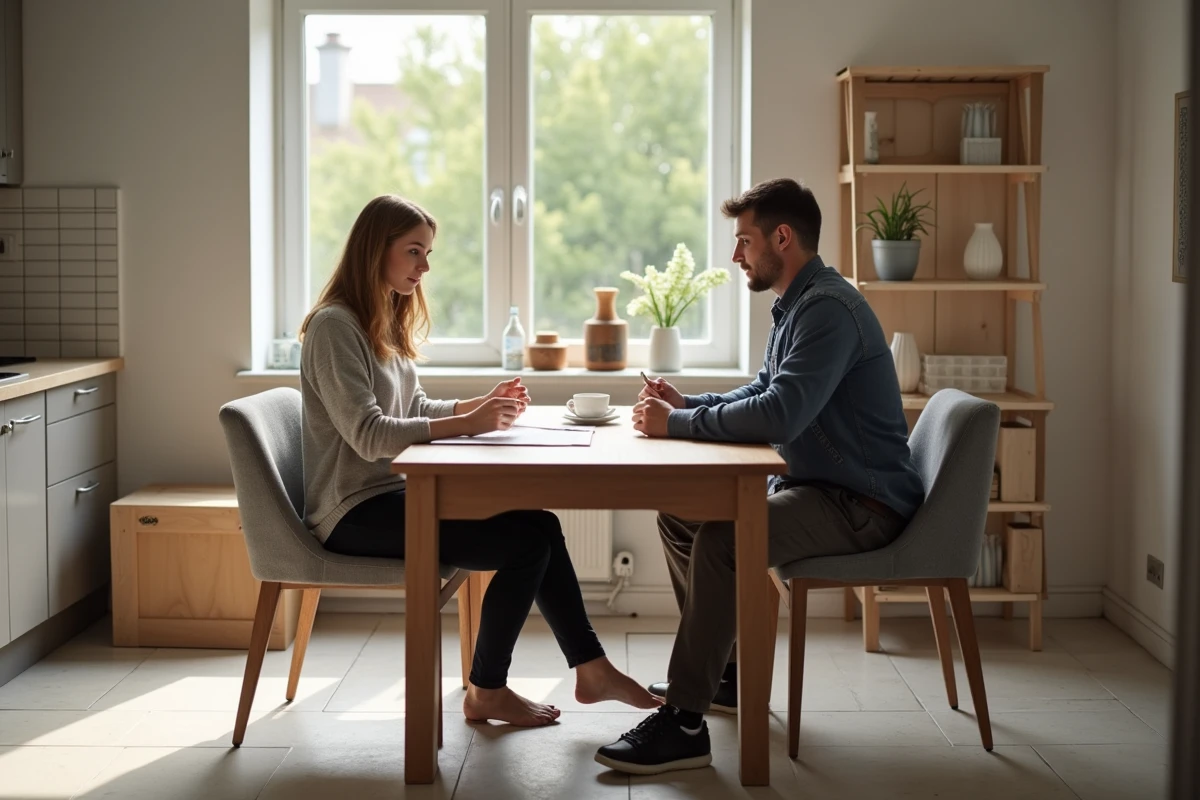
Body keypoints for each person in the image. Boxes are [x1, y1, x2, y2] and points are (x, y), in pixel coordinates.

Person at [594, 178, 925, 774]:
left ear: (782, 237)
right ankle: (726, 676)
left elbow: (780, 413)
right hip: (821, 491)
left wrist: (677, 425)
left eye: (743, 240)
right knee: (679, 515)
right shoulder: (801, 302)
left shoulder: (828, 309)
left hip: (861, 505)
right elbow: (765, 391)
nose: (735, 255)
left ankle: (685, 723)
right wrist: (687, 404)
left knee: (725, 540)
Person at [300, 193, 659, 727]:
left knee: (539, 525)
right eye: (414, 252)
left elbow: (414, 409)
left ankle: (589, 666)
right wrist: (468, 423)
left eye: (427, 253)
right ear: (376, 250)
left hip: (393, 496)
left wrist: (481, 405)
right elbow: (370, 435)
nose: (426, 266)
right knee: (522, 545)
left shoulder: (383, 318)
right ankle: (490, 690)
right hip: (351, 511)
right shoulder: (335, 327)